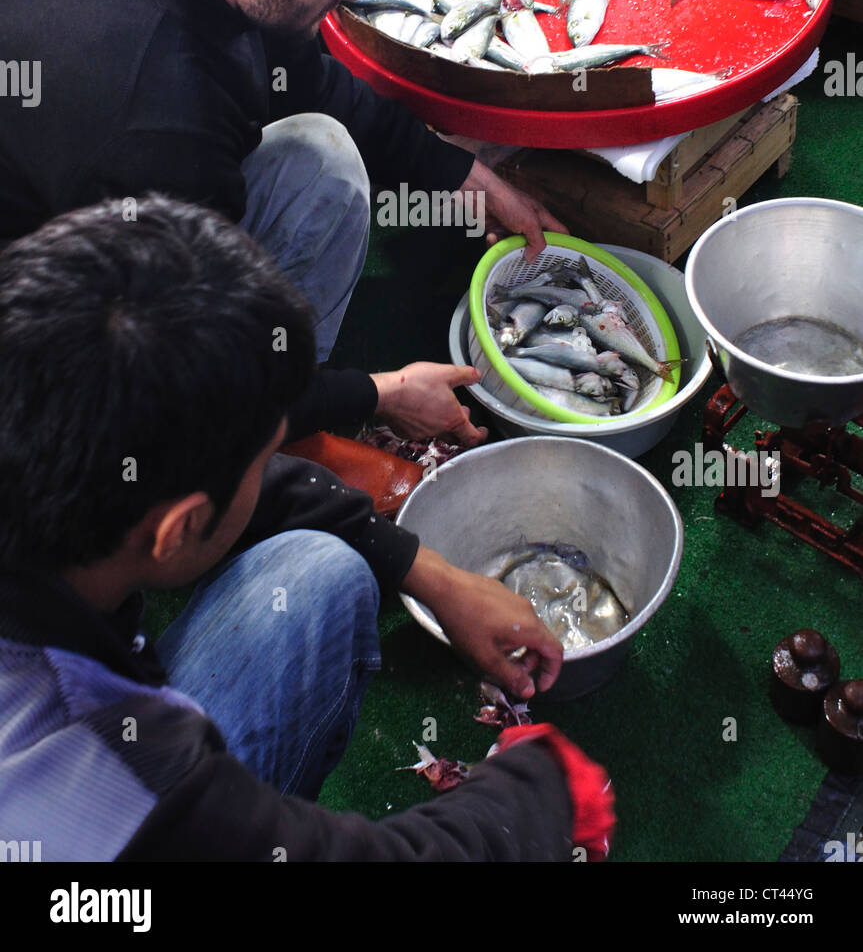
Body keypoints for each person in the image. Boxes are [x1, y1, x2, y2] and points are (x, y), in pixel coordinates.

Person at [0, 196, 613, 861]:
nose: (272, 469)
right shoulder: (105, 793)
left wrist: (430, 574)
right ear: (176, 528)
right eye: (265, 455)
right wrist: (532, 799)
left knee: (320, 572)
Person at [0, 0, 566, 449]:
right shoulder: (161, 133)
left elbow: (305, 78)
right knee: (187, 400)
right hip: (41, 333)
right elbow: (182, 357)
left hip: (99, 193)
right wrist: (376, 396)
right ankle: (274, 436)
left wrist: (455, 170)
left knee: (321, 150)